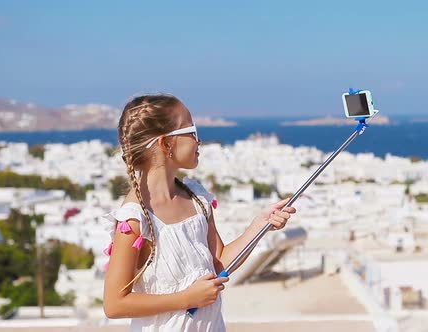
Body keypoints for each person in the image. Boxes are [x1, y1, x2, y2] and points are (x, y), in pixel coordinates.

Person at [102, 94, 296, 331]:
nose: (199, 139)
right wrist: (186, 299)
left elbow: (218, 263)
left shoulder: (196, 198)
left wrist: (260, 224)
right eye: (191, 130)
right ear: (166, 144)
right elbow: (114, 304)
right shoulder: (135, 219)